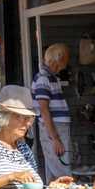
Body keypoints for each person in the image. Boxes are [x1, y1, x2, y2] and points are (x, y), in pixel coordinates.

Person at [31, 43, 72, 180]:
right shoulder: (44, 78)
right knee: (60, 167)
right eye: (65, 59)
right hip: (54, 128)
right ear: (58, 60)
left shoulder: (50, 77)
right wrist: (54, 138)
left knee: (56, 167)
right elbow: (44, 110)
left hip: (56, 127)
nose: (65, 64)